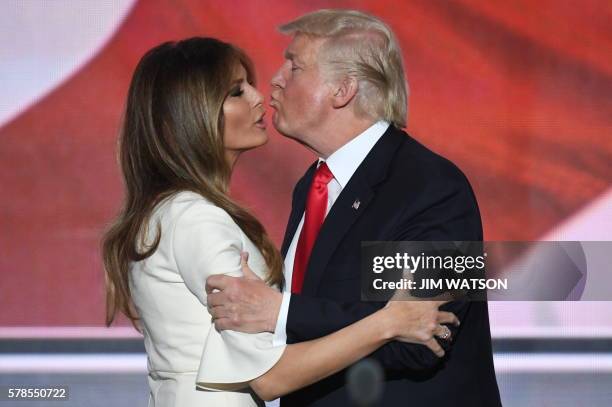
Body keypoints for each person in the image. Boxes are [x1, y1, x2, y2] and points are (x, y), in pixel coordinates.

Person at [101, 37, 458, 407]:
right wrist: (389, 322)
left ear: (345, 89)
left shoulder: (174, 211)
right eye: (237, 92)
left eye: (296, 68)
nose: (260, 96)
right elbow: (269, 376)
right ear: (189, 115)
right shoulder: (196, 218)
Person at [205, 9, 503, 406]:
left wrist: (280, 312)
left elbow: (422, 337)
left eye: (294, 66)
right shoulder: (313, 186)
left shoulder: (434, 188)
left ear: (343, 90)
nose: (275, 79)